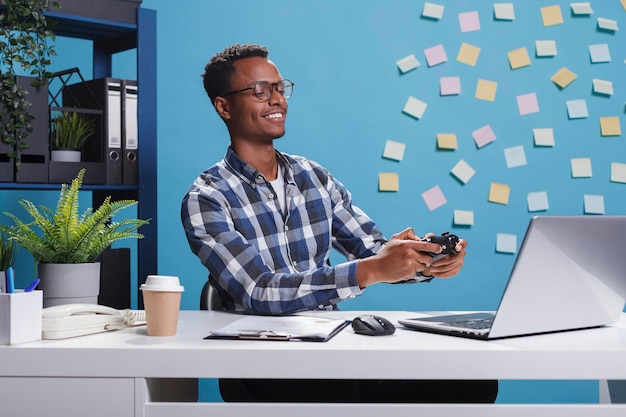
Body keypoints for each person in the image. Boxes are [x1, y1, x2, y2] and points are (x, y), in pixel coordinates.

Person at [181, 43, 498, 403]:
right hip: (264, 360)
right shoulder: (207, 198)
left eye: (280, 88)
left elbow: (373, 250)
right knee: (338, 390)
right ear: (223, 106)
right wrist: (371, 270)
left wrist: (424, 258)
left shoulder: (313, 177)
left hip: (331, 348)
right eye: (259, 91)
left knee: (472, 380)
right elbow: (259, 291)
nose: (276, 100)